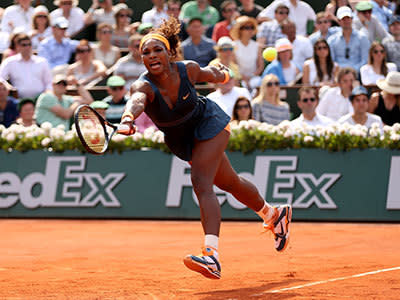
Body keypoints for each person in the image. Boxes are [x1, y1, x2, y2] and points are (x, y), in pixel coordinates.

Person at [120, 18, 292, 280]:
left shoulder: (187, 69)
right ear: (141, 58)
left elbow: (214, 74)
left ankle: (211, 255)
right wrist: (127, 119)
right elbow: (136, 101)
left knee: (201, 182)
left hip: (209, 124)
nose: (152, 56)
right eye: (146, 52)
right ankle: (274, 214)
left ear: (170, 53)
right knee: (231, 183)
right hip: (183, 139)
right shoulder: (142, 86)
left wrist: (223, 73)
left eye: (158, 50)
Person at [0, 34, 52, 99]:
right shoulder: (10, 61)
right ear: (17, 47)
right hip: (18, 100)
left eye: (29, 44)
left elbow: (49, 83)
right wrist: (7, 86)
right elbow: (1, 77)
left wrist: (46, 95)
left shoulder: (42, 61)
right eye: (24, 45)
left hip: (40, 99)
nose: (27, 47)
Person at [327, 6, 370, 74]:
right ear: (339, 21)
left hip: (358, 74)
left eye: (348, 18)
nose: (346, 21)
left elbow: (365, 60)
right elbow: (331, 61)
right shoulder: (331, 40)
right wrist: (341, 71)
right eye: (343, 19)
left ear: (352, 19)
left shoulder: (362, 37)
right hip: (338, 74)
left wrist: (353, 71)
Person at [230, 16, 263, 89]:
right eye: (247, 28)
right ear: (240, 30)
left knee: (258, 83)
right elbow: (233, 65)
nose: (250, 30)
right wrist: (242, 78)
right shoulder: (233, 45)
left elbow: (260, 66)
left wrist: (252, 76)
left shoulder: (257, 46)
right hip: (238, 79)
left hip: (254, 78)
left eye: (252, 27)